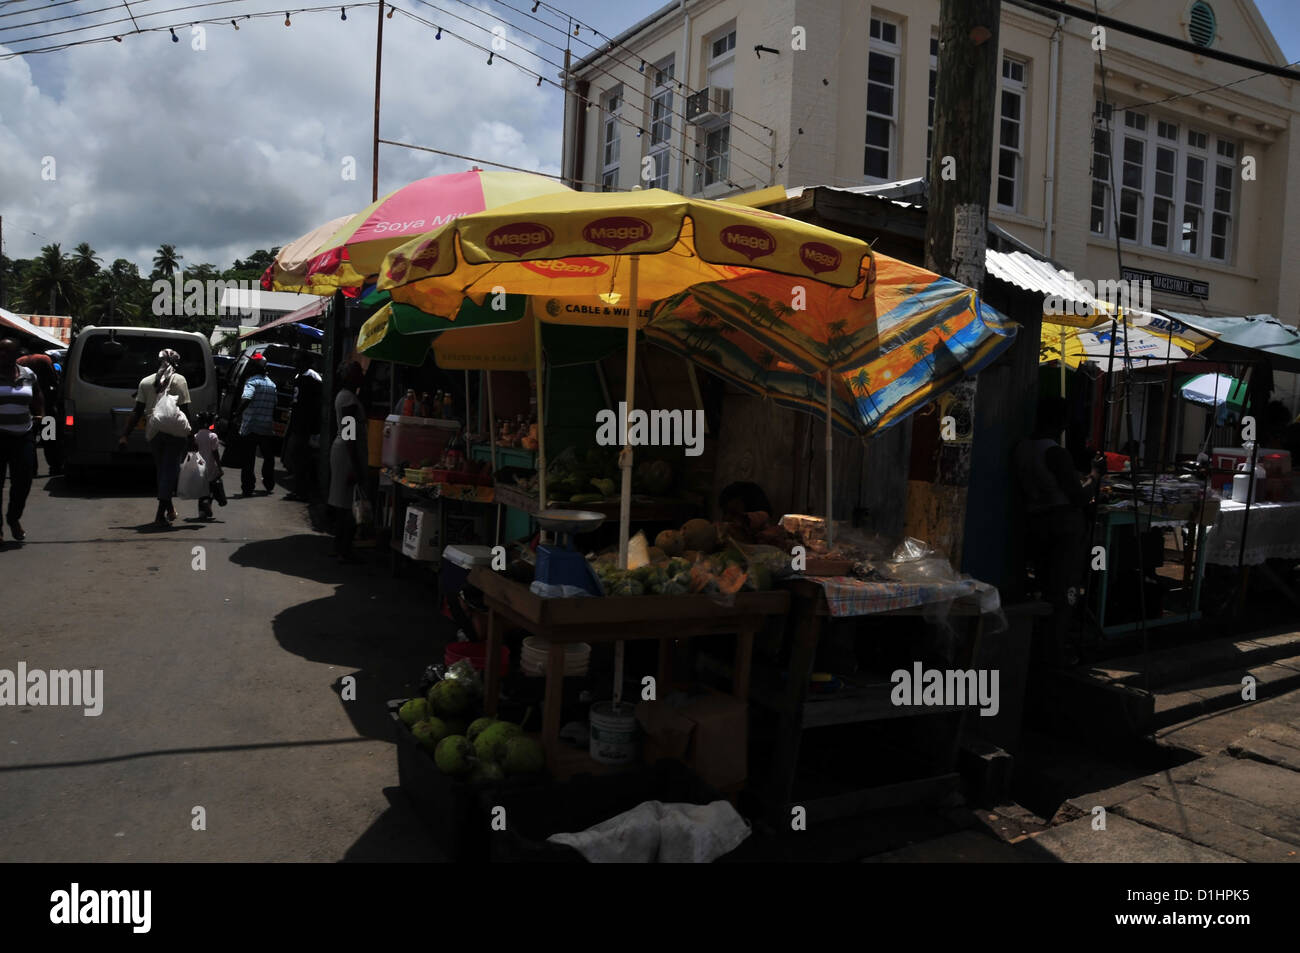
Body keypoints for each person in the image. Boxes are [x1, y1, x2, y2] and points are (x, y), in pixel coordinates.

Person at [1013, 396, 1106, 669]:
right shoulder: (1055, 452)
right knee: (1063, 590)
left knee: (1042, 586)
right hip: (1062, 526)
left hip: (1035, 523)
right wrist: (1095, 475)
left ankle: (1041, 648)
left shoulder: (1022, 448)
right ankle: (1054, 653)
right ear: (1061, 423)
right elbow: (1078, 497)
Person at [119, 348, 192, 527]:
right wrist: (192, 436)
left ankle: (169, 509)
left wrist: (124, 436)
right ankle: (160, 514)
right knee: (169, 470)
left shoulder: (145, 382)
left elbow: (136, 412)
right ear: (175, 362)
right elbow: (185, 410)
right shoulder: (179, 380)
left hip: (154, 431)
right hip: (175, 431)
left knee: (162, 470)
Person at [0, 339, 44, 543]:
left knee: (24, 480)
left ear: (16, 353)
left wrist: (40, 414)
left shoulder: (28, 374)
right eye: (0, 351)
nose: (2, 354)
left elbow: (37, 396)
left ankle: (13, 517)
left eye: (7, 351)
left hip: (23, 434)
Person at [328, 361, 370, 563]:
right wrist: (354, 466)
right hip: (347, 454)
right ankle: (343, 548)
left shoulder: (348, 397)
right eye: (358, 372)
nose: (362, 375)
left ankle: (341, 547)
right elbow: (349, 434)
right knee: (347, 504)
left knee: (344, 503)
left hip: (346, 452)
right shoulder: (348, 399)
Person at [235, 353, 279, 497]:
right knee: (268, 457)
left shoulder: (252, 382)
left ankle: (248, 487)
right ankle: (269, 483)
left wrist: (238, 413)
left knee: (248, 458)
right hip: (266, 427)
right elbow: (275, 404)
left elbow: (247, 398)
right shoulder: (272, 384)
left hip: (251, 426)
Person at [282, 352, 322, 502]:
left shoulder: (312, 377)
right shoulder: (299, 377)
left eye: (297, 361)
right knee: (295, 458)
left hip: (305, 425)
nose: (295, 365)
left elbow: (315, 402)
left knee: (302, 459)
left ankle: (302, 491)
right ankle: (298, 489)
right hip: (298, 423)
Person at [16, 352, 61, 476]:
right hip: (46, 404)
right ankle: (54, 466)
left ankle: (31, 468)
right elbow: (53, 379)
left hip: (28, 404)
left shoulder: (20, 361)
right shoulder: (44, 359)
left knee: (31, 439)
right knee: (49, 438)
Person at [192, 411, 227, 520]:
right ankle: (207, 502)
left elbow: (194, 451)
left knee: (201, 489)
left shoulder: (196, 436)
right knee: (211, 488)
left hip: (199, 466)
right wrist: (219, 467)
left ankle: (202, 512)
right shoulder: (213, 436)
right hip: (211, 467)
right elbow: (215, 453)